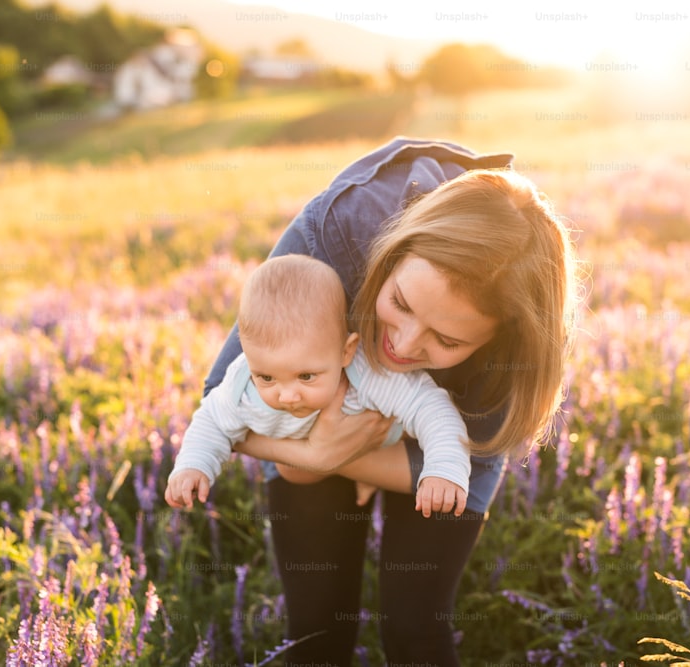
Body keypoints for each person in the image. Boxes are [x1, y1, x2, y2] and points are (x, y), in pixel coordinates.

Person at [193, 137, 578, 665]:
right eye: (399, 302)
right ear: (393, 252)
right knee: (316, 632)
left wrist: (346, 454)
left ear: (497, 340)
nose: (404, 344)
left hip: (443, 447)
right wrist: (315, 456)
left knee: (417, 628)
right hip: (313, 409)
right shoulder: (340, 230)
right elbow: (221, 398)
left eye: (448, 341)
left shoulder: (521, 338)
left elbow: (479, 453)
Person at [165, 253, 473, 517]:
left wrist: (443, 469)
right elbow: (211, 421)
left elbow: (431, 408)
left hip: (385, 447)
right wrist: (193, 467)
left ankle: (370, 478)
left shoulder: (368, 372)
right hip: (305, 467)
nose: (287, 395)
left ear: (346, 352)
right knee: (295, 475)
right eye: (267, 377)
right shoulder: (242, 385)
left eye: (306, 376)